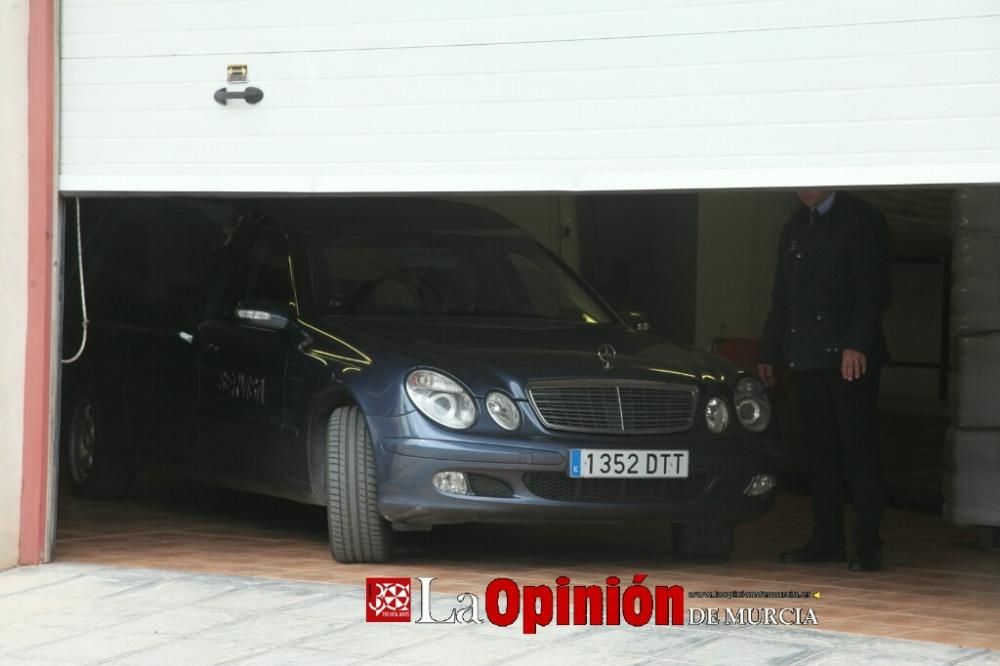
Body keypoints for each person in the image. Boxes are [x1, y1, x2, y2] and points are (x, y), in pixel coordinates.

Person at [758, 189, 891, 572]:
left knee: (858, 449)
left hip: (851, 357)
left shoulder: (862, 219)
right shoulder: (796, 226)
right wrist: (770, 350)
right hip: (808, 355)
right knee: (820, 452)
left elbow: (874, 291)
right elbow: (781, 296)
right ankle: (827, 538)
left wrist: (856, 343)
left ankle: (869, 542)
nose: (802, 187)